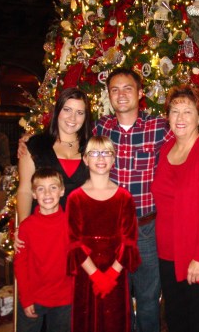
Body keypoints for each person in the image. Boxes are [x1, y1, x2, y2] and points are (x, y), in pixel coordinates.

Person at [93, 68, 199, 332]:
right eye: (115, 89)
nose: (121, 95)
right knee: (125, 303)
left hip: (152, 233)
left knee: (152, 303)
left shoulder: (158, 129)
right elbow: (72, 145)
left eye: (128, 88)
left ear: (140, 93)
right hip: (130, 235)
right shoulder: (101, 128)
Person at [151, 85, 199, 332]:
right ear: (168, 117)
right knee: (175, 318)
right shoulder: (165, 150)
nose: (181, 118)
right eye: (175, 111)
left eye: (188, 111)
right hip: (168, 252)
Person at [66, 135, 141, 332]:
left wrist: (111, 276)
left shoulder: (125, 198)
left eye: (106, 153)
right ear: (85, 159)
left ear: (114, 159)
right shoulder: (75, 199)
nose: (101, 158)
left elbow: (129, 241)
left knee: (114, 322)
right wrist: (96, 276)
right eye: (95, 153)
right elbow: (74, 242)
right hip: (86, 275)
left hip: (115, 275)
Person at [16, 87, 92, 223]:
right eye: (67, 110)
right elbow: (25, 191)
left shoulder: (92, 148)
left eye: (80, 112)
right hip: (44, 228)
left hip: (80, 228)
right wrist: (23, 227)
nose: (72, 118)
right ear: (57, 112)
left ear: (86, 117)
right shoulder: (35, 146)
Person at [14, 167, 72, 332]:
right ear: (33, 194)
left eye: (53, 187)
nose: (47, 193)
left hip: (64, 298)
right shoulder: (26, 227)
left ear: (61, 191)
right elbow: (20, 265)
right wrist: (26, 298)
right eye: (41, 189)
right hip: (34, 296)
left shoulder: (71, 223)